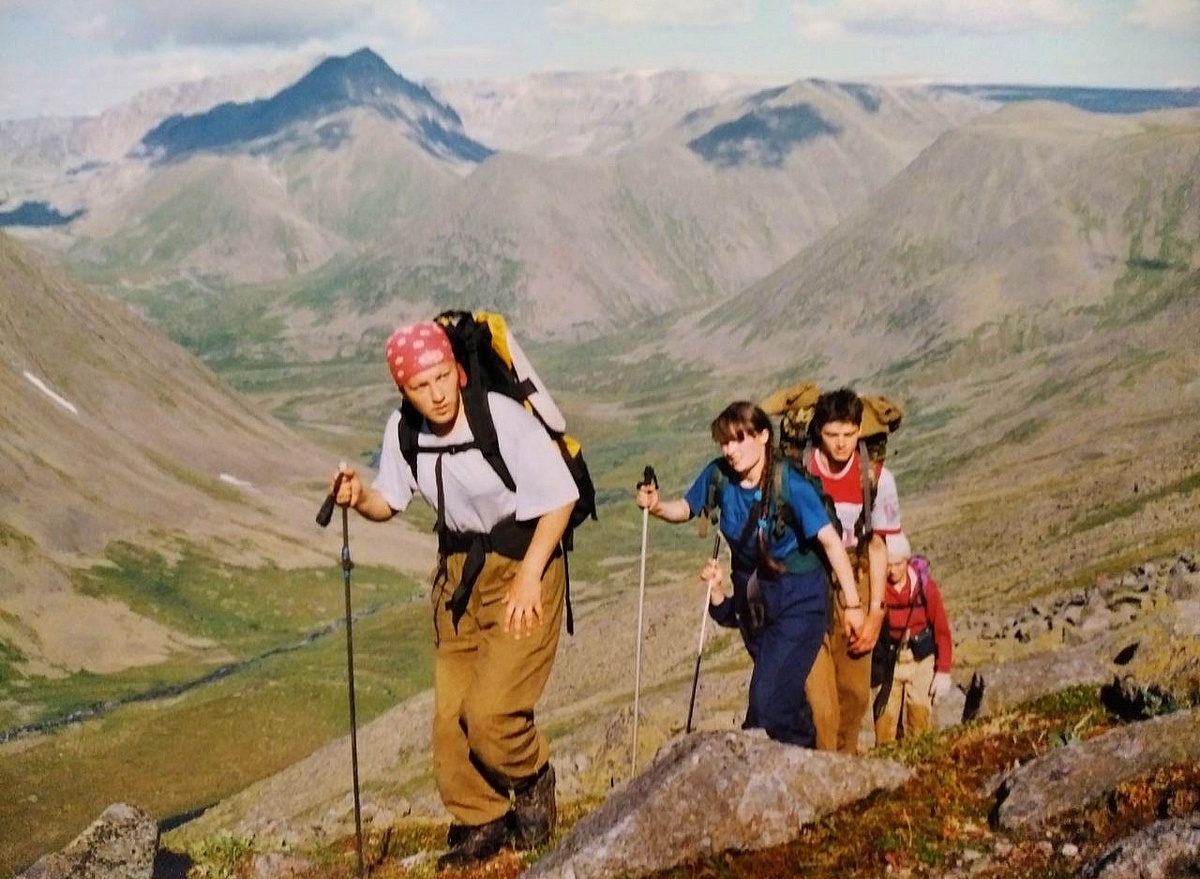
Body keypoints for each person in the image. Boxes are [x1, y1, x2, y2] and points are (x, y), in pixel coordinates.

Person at [329, 320, 578, 870]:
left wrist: (530, 575)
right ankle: (481, 819)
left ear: (457, 369)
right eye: (422, 385)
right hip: (459, 578)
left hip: (524, 560)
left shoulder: (501, 418)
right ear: (403, 389)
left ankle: (533, 778)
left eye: (444, 376)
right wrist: (357, 497)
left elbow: (562, 496)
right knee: (449, 723)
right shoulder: (404, 431)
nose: (438, 393)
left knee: (491, 713)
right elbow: (388, 501)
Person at [635, 401, 863, 746]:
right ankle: (804, 758)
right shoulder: (719, 476)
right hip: (757, 605)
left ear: (764, 436)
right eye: (725, 442)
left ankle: (786, 766)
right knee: (785, 698)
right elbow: (685, 508)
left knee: (767, 701)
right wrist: (656, 506)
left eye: (740, 439)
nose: (730, 449)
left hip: (800, 600)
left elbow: (831, 543)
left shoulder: (788, 483)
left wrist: (854, 605)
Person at [804, 387, 903, 754]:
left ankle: (842, 769)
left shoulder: (876, 478)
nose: (841, 444)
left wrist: (876, 611)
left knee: (857, 693)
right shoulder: (803, 470)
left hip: (858, 582)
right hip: (810, 582)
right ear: (818, 432)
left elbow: (878, 545)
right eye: (832, 435)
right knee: (820, 704)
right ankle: (820, 767)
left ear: (860, 429)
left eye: (849, 434)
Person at [873, 533, 954, 745]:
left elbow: (941, 630)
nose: (892, 570)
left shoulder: (926, 588)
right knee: (884, 722)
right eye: (888, 565)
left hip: (921, 662)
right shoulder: (877, 591)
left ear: (907, 560)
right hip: (891, 662)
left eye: (898, 564)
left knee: (919, 722)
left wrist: (943, 671)